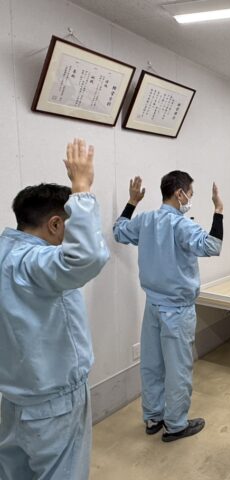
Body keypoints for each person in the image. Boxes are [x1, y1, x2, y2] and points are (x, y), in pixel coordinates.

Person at [0, 138, 110, 480]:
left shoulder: (4, 253)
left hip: (13, 400)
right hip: (54, 406)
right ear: (55, 224)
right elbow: (88, 257)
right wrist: (82, 188)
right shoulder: (37, 262)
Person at [113, 172, 224, 442]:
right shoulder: (182, 226)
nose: (190, 200)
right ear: (179, 193)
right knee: (178, 370)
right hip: (177, 311)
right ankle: (175, 425)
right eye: (190, 194)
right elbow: (213, 246)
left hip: (152, 306)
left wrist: (132, 202)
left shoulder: (146, 220)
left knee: (151, 364)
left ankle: (153, 417)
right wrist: (218, 211)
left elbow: (119, 230)